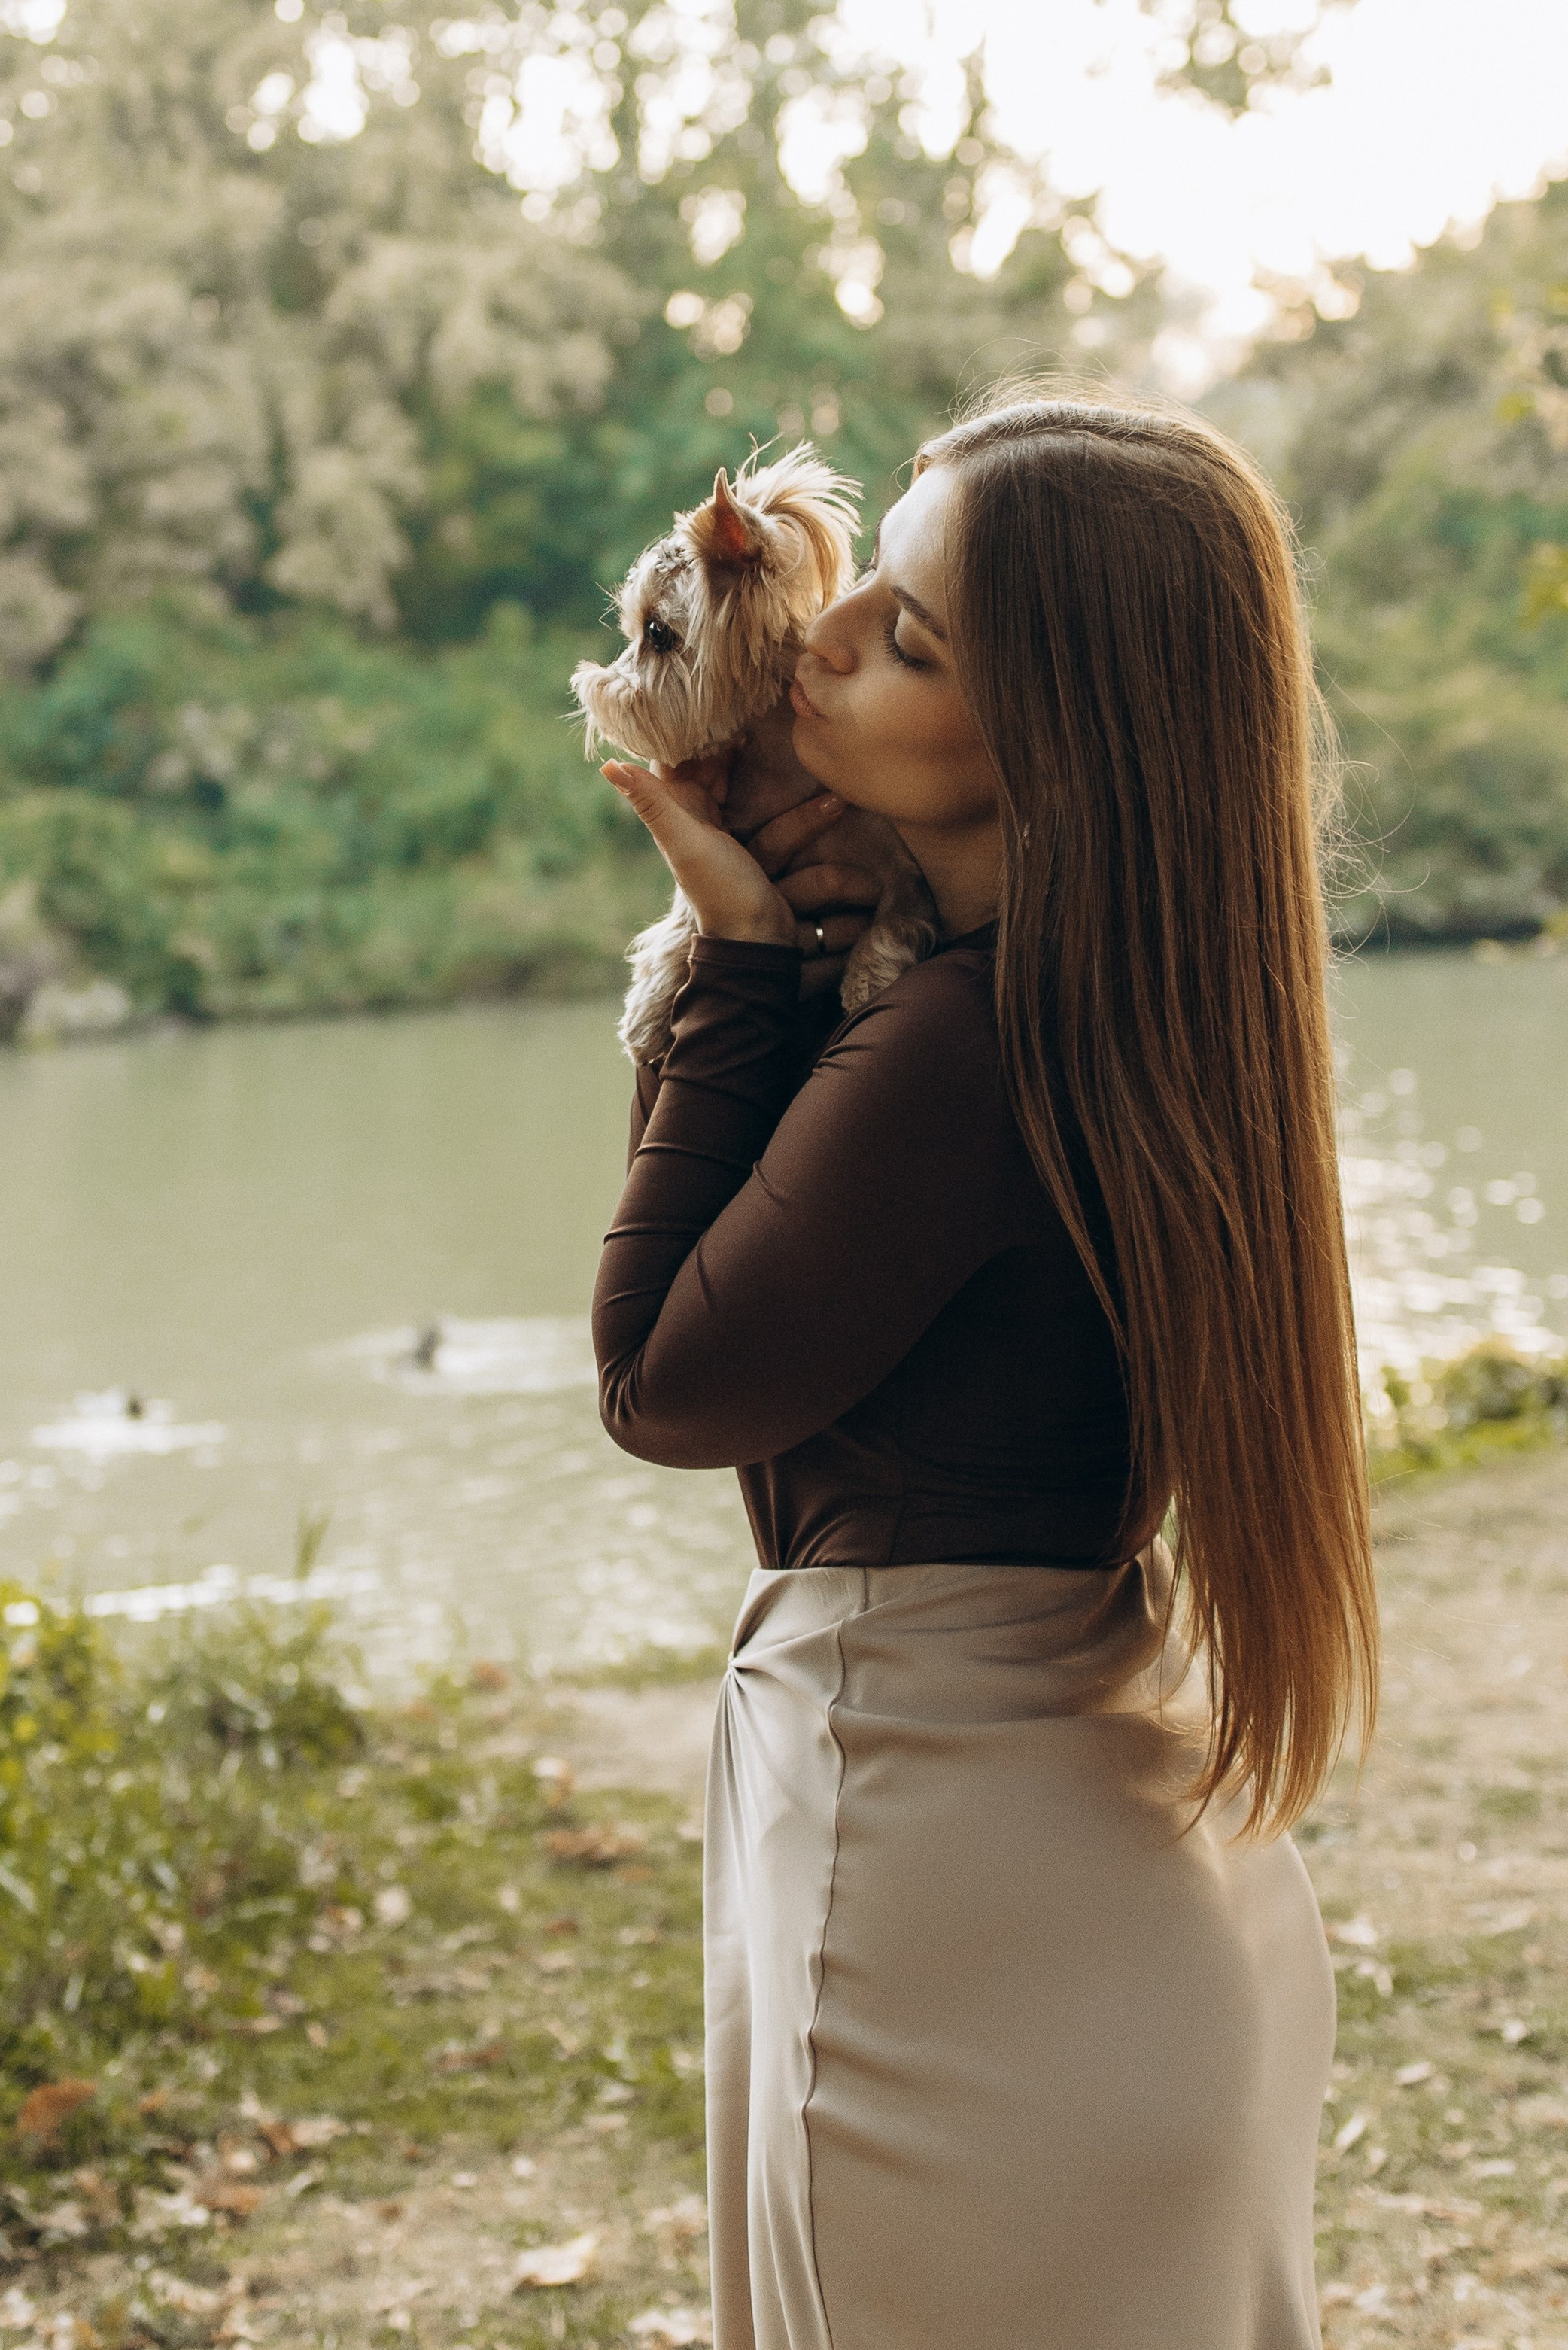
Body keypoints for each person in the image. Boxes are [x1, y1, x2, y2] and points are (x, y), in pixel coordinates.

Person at [591, 391, 1378, 2350]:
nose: (831, 633)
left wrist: (733, 959)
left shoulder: (959, 1051)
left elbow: (662, 1384)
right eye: (868, 588)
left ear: (1059, 742)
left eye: (913, 641)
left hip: (944, 1861)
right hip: (1106, 1867)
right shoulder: (1138, 1011)